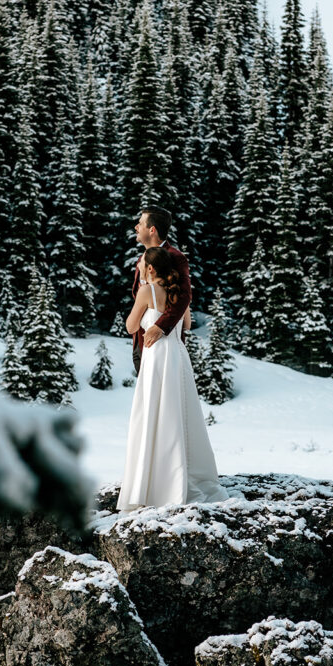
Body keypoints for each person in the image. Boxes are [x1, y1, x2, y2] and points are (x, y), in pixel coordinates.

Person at [117, 244, 228, 511]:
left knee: (152, 414)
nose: (139, 268)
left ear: (150, 268)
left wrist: (145, 312)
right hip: (177, 355)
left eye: (142, 264)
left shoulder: (147, 291)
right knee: (178, 412)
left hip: (156, 357)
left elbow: (131, 326)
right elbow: (187, 324)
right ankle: (180, 476)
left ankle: (152, 480)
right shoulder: (178, 293)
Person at [130, 206, 191, 376]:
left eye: (140, 223)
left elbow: (185, 295)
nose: (136, 227)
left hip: (162, 346)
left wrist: (160, 327)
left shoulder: (176, 257)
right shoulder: (142, 259)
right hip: (141, 342)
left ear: (152, 230)